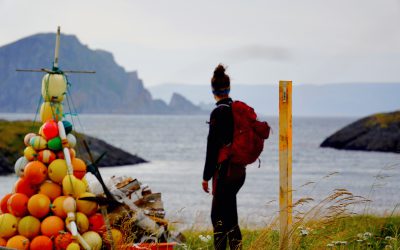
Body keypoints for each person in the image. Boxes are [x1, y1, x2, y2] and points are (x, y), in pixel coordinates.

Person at [202, 64, 246, 250]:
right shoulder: (236, 110)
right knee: (229, 214)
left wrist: (206, 177)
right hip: (239, 171)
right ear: (228, 89)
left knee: (218, 218)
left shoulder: (218, 113)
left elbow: (212, 148)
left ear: (213, 91)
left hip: (225, 172)